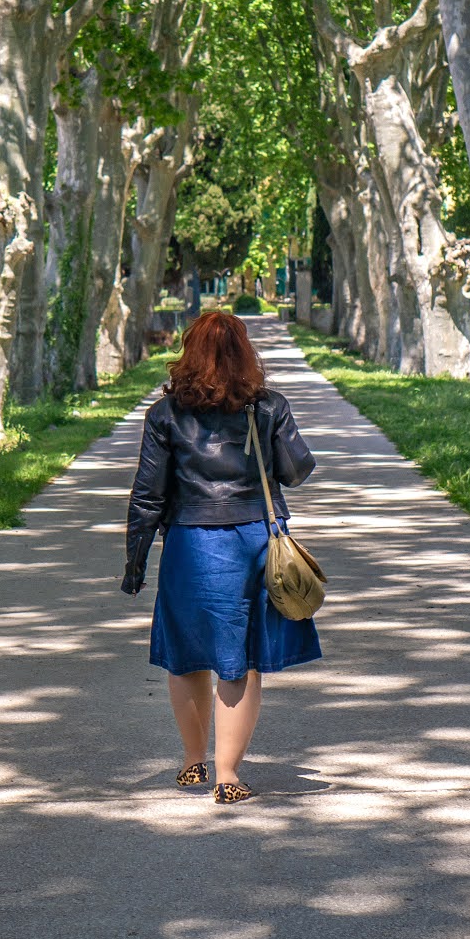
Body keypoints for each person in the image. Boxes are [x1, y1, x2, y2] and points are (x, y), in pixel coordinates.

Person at [122, 310, 318, 805]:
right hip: (253, 541)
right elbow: (297, 471)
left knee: (186, 656)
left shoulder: (165, 415)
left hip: (189, 544)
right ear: (245, 354)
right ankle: (228, 776)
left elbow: (147, 496)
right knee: (241, 662)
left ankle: (194, 763)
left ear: (188, 352)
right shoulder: (267, 406)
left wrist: (135, 562)